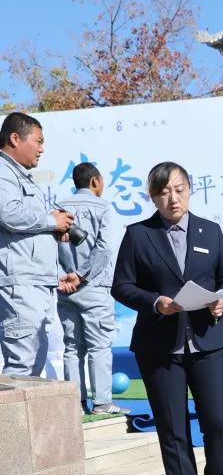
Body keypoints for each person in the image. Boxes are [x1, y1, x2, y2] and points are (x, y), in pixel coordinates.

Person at [112, 162, 223, 475]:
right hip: (159, 348)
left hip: (208, 342)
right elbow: (122, 286)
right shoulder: (139, 235)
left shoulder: (210, 231)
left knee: (219, 421)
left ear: (189, 190)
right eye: (165, 191)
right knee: (173, 428)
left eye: (180, 189)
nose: (174, 198)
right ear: (153, 196)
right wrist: (155, 302)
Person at [0, 112, 76, 376]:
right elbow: (8, 214)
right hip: (20, 282)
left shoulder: (19, 175)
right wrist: (50, 221)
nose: (42, 149)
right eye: (38, 141)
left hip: (34, 280)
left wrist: (57, 272)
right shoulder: (2, 171)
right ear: (14, 138)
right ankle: (9, 419)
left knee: (33, 363)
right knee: (21, 365)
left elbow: (26, 231)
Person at [55, 162, 127, 414]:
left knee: (72, 347)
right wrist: (82, 275)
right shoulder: (103, 207)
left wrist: (61, 277)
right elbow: (105, 248)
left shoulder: (58, 208)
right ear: (95, 182)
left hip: (64, 287)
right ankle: (102, 403)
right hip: (93, 285)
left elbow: (46, 246)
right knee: (99, 346)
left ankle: (74, 406)